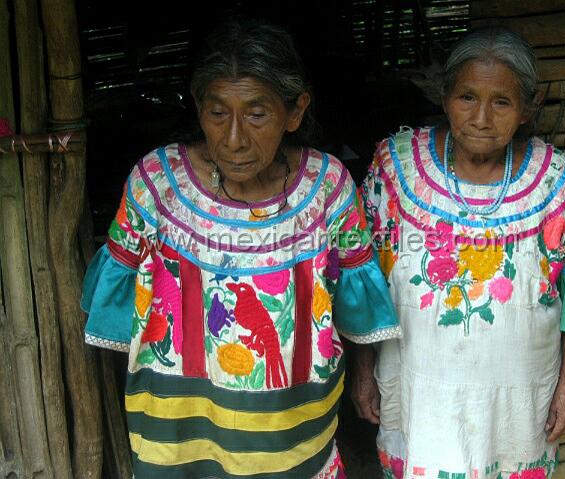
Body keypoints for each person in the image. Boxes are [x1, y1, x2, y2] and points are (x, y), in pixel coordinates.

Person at [81, 19, 400, 479]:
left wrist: (364, 375)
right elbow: (113, 322)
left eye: (256, 114)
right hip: (179, 434)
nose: (233, 139)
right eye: (217, 113)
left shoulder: (327, 187)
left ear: (295, 111)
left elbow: (360, 314)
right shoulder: (155, 184)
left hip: (293, 433)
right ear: (197, 108)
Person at [353, 27, 565, 479]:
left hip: (516, 401)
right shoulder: (395, 170)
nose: (481, 118)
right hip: (419, 393)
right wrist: (362, 372)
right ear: (444, 95)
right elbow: (364, 278)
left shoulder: (556, 181)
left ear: (528, 110)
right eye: (467, 97)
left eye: (502, 102)